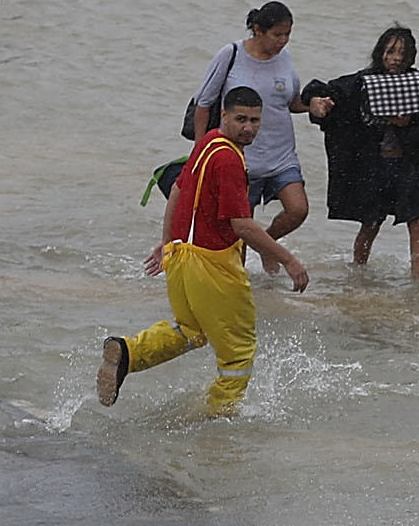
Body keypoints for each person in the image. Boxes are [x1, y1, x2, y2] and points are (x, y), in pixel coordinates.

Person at [98, 86, 309, 417]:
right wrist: (289, 260)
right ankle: (218, 418)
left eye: (255, 120)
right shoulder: (229, 159)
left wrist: (169, 242)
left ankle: (128, 353)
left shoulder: (208, 142)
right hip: (212, 265)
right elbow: (242, 225)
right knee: (238, 352)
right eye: (241, 119)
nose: (248, 128)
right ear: (224, 115)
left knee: (192, 330)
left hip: (181, 256)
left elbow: (177, 190)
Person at [306, 25, 419, 270]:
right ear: (380, 53)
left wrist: (406, 125)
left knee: (418, 221)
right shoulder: (361, 83)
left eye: (402, 53)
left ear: (411, 56)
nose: (396, 58)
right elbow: (323, 90)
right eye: (391, 52)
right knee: (371, 224)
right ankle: (358, 272)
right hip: (374, 167)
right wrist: (315, 102)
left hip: (407, 167)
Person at [192, 4, 310, 275]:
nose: (283, 41)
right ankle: (244, 289)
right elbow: (204, 104)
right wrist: (201, 150)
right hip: (241, 158)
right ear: (258, 30)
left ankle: (267, 245)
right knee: (241, 237)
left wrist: (312, 105)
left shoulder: (285, 58)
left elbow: (291, 102)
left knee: (298, 209)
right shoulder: (231, 55)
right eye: (277, 34)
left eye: (287, 34)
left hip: (281, 155)